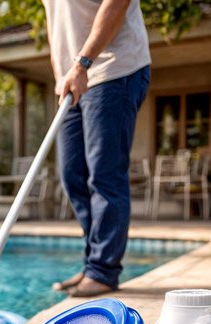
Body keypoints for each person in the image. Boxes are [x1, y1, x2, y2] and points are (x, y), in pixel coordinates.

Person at [44, 0, 151, 297]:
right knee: (71, 174)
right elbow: (55, 22)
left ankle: (103, 271)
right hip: (73, 80)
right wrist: (61, 74)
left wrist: (82, 63)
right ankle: (93, 264)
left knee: (104, 174)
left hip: (112, 69)